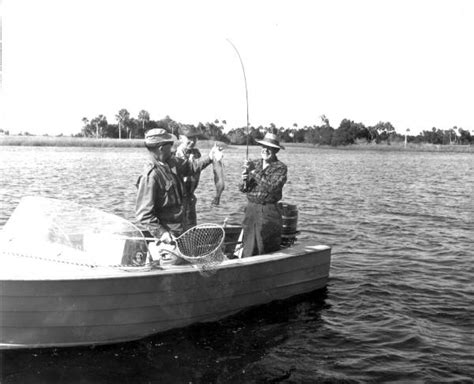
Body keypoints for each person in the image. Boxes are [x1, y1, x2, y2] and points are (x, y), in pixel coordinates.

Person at [135, 128, 222, 245]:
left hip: (185, 229)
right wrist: (162, 234)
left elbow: (192, 167)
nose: (172, 147)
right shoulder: (151, 176)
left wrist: (210, 157)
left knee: (190, 257)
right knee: (174, 262)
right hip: (170, 238)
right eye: (170, 144)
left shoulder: (172, 162)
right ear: (161, 148)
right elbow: (144, 215)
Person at [239, 132, 287, 257]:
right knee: (248, 244)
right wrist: (244, 180)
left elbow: (271, 187)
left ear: (275, 150)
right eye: (263, 147)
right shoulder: (254, 163)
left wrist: (253, 172)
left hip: (268, 211)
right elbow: (244, 189)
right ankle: (246, 268)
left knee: (264, 245)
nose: (265, 150)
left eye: (269, 148)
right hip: (251, 209)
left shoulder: (280, 168)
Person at [175, 124, 203, 231]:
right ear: (180, 138)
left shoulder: (195, 152)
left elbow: (197, 166)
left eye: (195, 138)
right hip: (180, 198)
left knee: (191, 227)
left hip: (190, 196)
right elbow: (189, 168)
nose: (193, 141)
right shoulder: (176, 153)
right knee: (182, 228)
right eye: (189, 138)